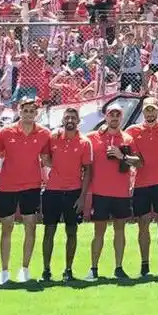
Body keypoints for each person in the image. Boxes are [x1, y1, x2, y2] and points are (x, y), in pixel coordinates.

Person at [0, 99, 52, 285]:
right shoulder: (6, 132)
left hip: (32, 186)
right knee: (7, 227)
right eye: (25, 110)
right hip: (7, 186)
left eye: (31, 111)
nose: (28, 114)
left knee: (30, 226)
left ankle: (24, 269)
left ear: (36, 113)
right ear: (19, 111)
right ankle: (4, 271)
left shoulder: (44, 134)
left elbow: (46, 159)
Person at [86, 107, 139, 281]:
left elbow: (138, 162)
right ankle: (93, 268)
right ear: (106, 117)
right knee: (99, 232)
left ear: (122, 117)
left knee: (120, 230)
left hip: (121, 193)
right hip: (100, 192)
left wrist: (121, 156)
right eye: (111, 114)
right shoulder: (94, 137)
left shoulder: (127, 139)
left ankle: (119, 267)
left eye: (118, 115)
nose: (114, 117)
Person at [125, 98, 158, 277]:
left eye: (153, 110)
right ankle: (145, 265)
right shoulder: (132, 131)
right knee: (143, 225)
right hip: (141, 186)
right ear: (143, 112)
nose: (150, 113)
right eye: (147, 110)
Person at [41, 108, 91, 283]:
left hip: (73, 192)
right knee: (49, 231)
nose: (70, 119)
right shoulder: (53, 137)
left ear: (78, 120)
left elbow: (88, 170)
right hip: (52, 191)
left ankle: (68, 270)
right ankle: (46, 270)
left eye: (73, 117)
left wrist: (83, 197)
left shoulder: (84, 142)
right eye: (67, 117)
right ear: (62, 120)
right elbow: (45, 157)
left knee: (72, 231)